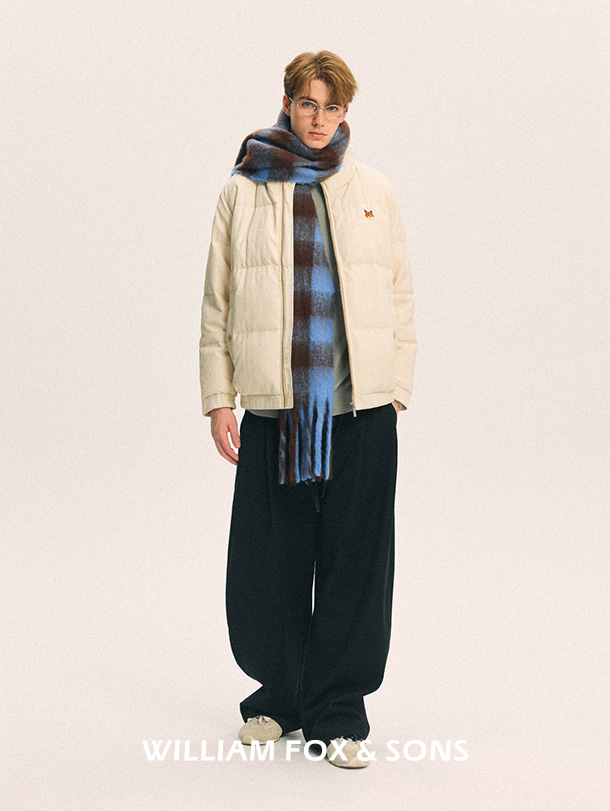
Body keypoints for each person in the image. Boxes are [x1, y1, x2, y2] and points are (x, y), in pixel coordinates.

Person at [199, 50, 417, 769]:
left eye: (332, 106)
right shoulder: (244, 189)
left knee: (357, 563)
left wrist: (397, 386)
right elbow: (217, 301)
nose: (319, 119)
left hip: (361, 411)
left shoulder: (373, 190)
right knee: (270, 560)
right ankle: (278, 698)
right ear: (288, 103)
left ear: (346, 111)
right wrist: (219, 397)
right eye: (307, 104)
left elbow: (399, 293)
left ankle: (340, 711)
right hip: (277, 408)